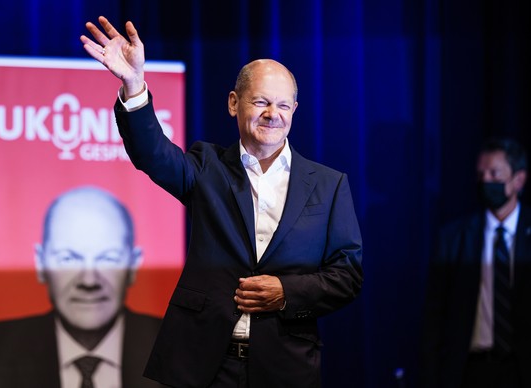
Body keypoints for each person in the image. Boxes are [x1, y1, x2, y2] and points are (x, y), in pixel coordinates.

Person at [80, 16, 363, 388]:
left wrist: (285, 293)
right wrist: (134, 86)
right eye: (260, 101)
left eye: (282, 105)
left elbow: (347, 276)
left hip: (285, 366)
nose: (272, 114)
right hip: (205, 366)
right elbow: (153, 154)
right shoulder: (206, 166)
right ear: (234, 103)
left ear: (295, 110)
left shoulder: (328, 184)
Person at [0, 186, 164, 388]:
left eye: (109, 258)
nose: (89, 281)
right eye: (68, 258)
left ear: (133, 265)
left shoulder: (177, 348)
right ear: (40, 263)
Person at [420, 137, 531, 388]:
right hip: (471, 370)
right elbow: (434, 318)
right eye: (481, 174)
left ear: (519, 179)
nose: (485, 181)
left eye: (495, 173)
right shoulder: (454, 237)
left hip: (522, 369)